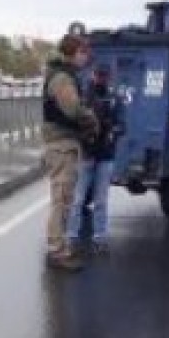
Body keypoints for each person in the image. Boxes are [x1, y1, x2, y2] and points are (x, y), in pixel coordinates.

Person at [42, 34, 98, 271]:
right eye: (83, 53)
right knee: (62, 198)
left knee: (63, 198)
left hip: (63, 143)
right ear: (73, 53)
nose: (86, 57)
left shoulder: (61, 74)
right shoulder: (63, 78)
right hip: (61, 144)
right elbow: (73, 109)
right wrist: (92, 118)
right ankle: (57, 250)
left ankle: (60, 245)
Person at [67, 66, 123, 255]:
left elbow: (122, 124)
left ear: (109, 77)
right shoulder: (84, 98)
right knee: (78, 199)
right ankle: (72, 237)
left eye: (104, 76)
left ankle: (100, 238)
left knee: (101, 200)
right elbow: (74, 123)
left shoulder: (114, 98)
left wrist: (113, 132)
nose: (101, 79)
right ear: (93, 75)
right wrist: (85, 137)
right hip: (87, 154)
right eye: (99, 75)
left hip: (105, 155)